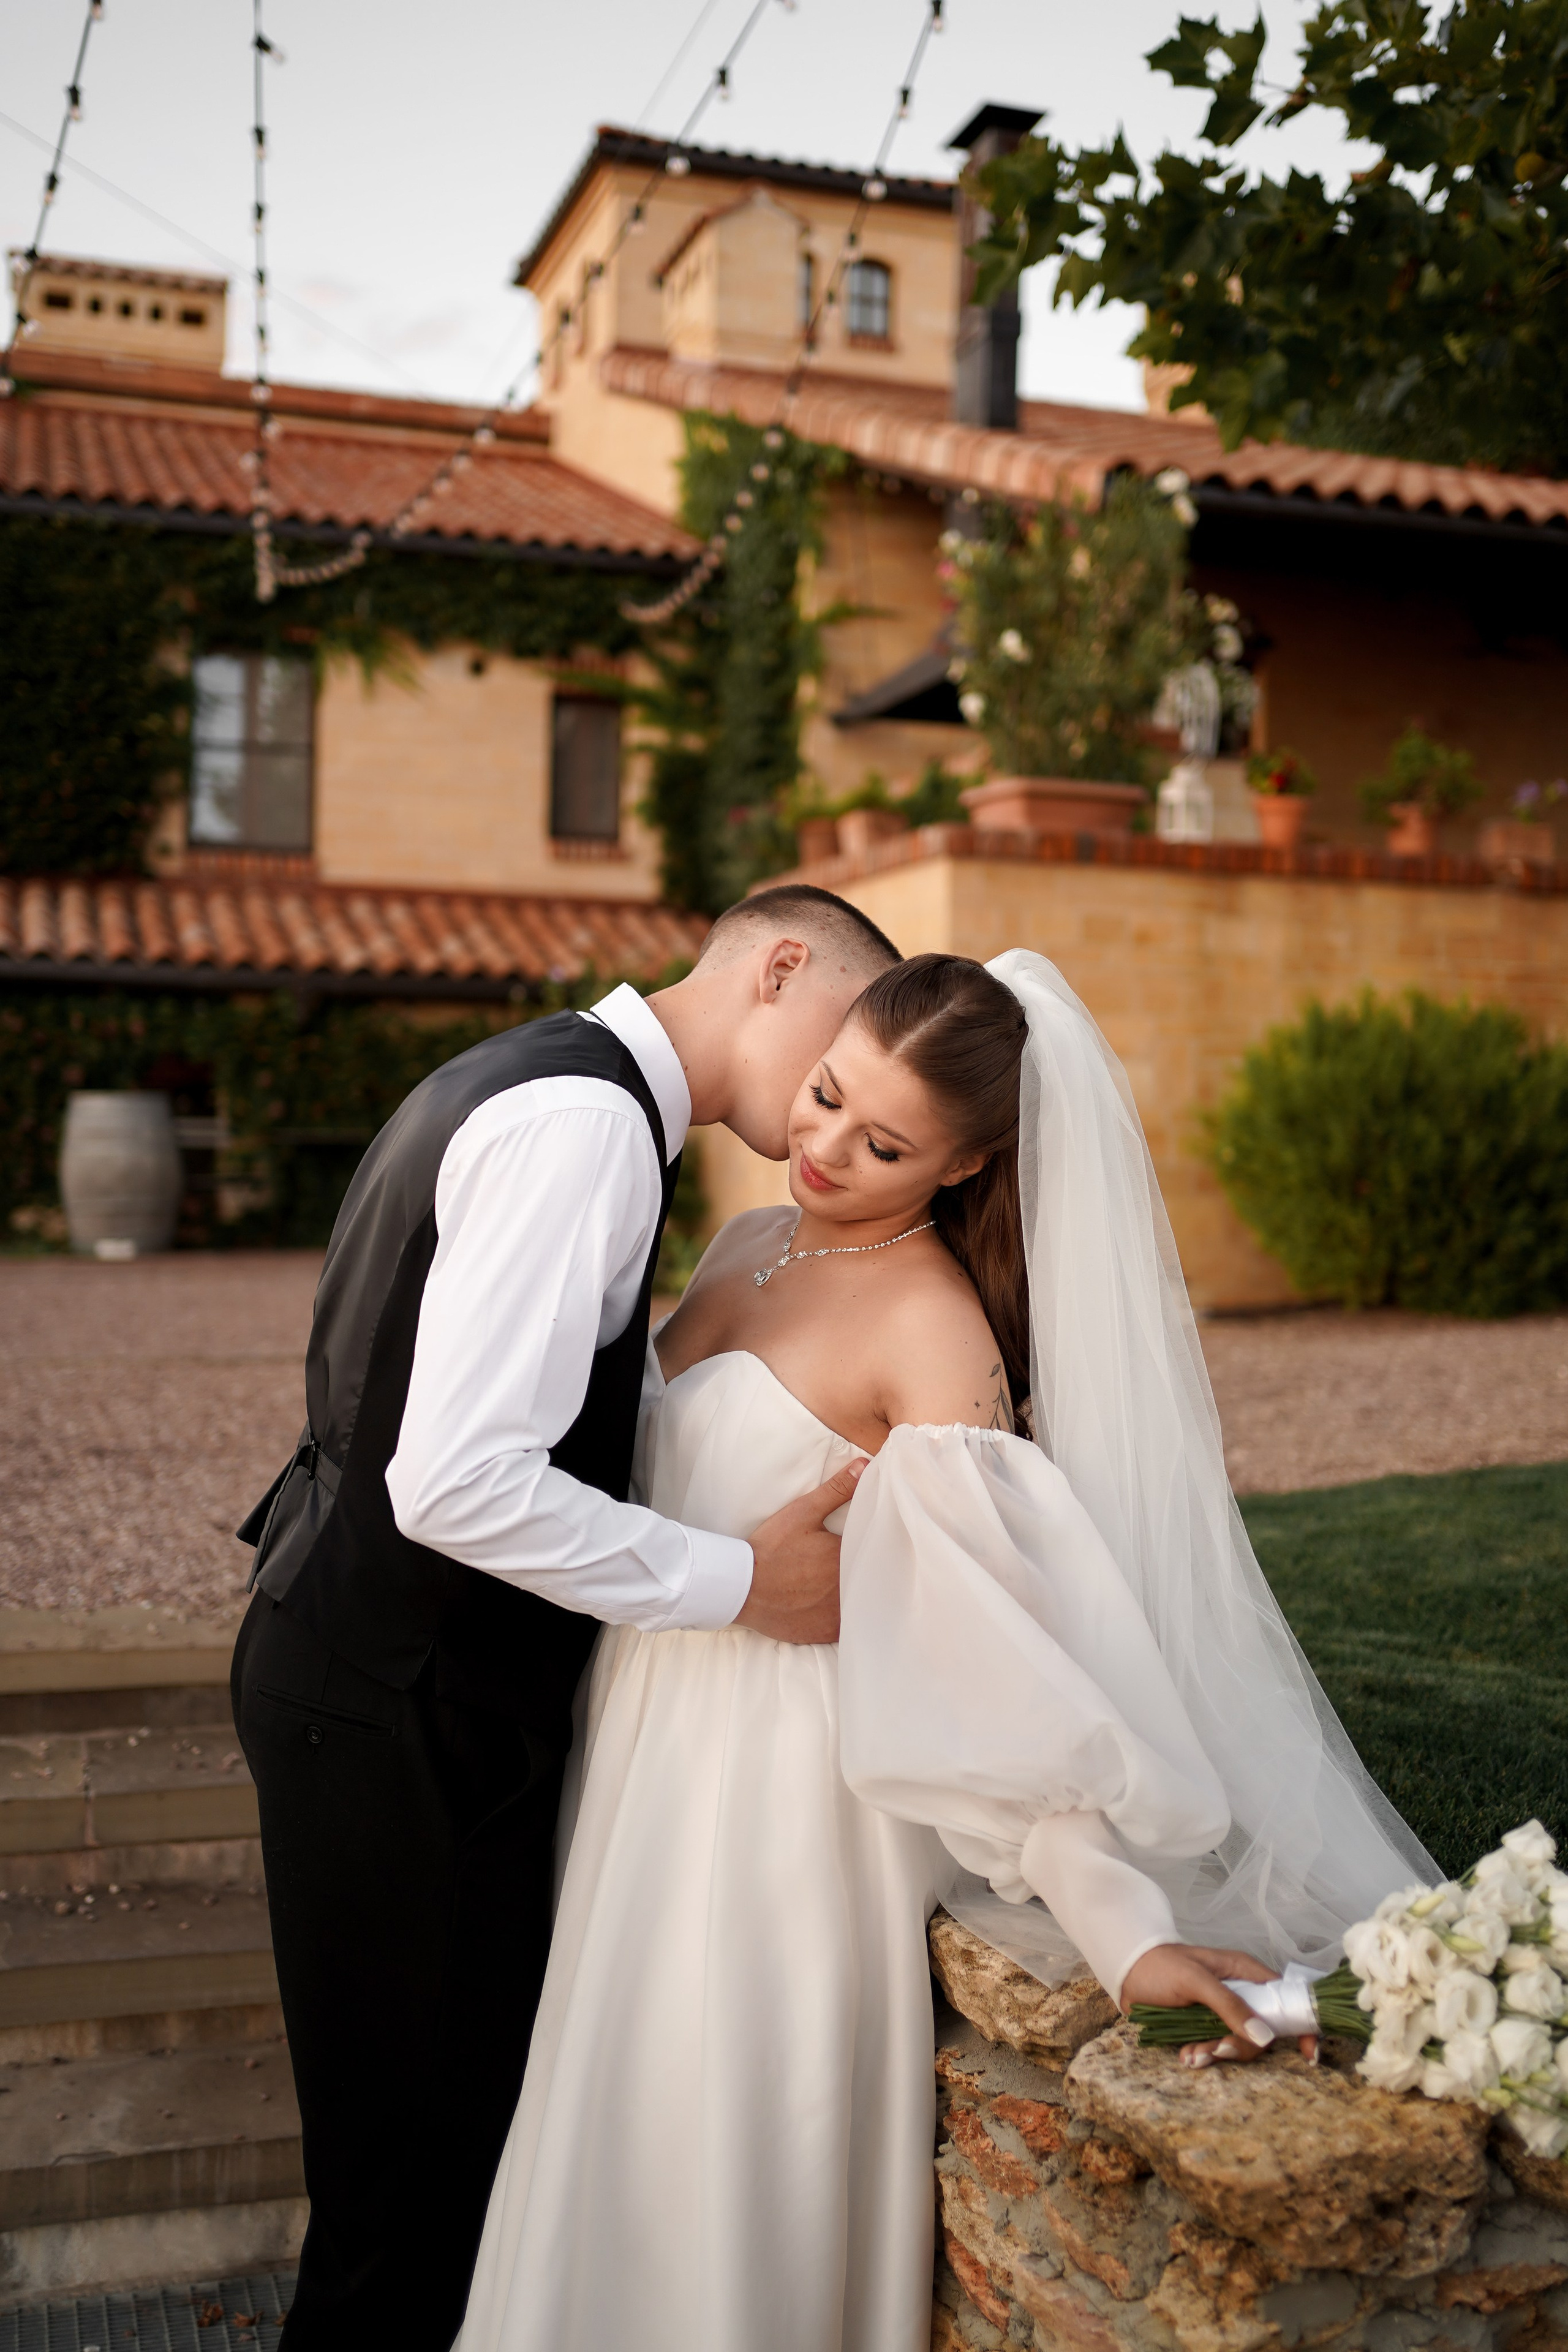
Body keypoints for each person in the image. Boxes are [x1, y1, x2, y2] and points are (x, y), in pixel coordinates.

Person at [457, 950, 1436, 2352]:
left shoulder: (931, 1335)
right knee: (604, 2124)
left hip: (775, 1811)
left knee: (709, 2160)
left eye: (882, 1142)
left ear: (968, 1163)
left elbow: (1005, 1662)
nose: (821, 1147)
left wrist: (1122, 1929)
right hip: (642, 1746)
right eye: (824, 1094)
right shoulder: (744, 1240)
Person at [230, 885, 904, 2351]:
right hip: (398, 1703)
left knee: (397, 2188)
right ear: (779, 966)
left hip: (355, 1666)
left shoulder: (532, 1072)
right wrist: (741, 1581)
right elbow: (459, 1482)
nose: (830, 1111)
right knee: (404, 2220)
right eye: (837, 1055)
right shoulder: (585, 1126)